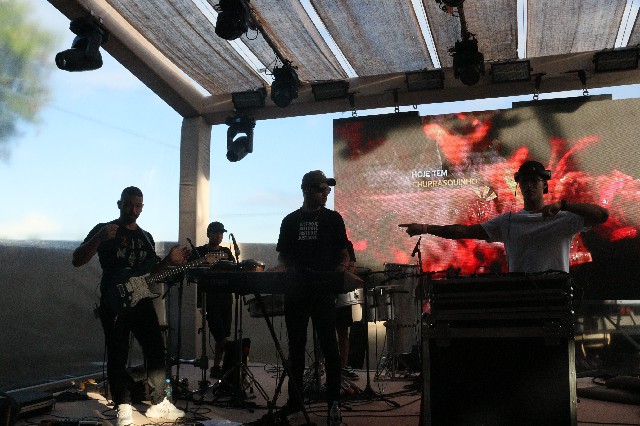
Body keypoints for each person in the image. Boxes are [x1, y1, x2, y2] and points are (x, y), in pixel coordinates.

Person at [72, 186, 187, 426]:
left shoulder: (146, 237)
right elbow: (77, 259)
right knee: (118, 353)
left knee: (156, 349)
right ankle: (123, 406)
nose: (133, 210)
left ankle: (159, 403)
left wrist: (170, 260)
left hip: (142, 300)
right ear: (119, 204)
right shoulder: (104, 229)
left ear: (142, 207)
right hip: (114, 301)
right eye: (128, 204)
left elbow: (152, 273)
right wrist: (99, 238)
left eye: (138, 206)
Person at [399, 160, 609, 273]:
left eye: (534, 181)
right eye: (524, 181)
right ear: (519, 186)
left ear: (544, 185)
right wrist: (425, 228)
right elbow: (463, 231)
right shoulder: (508, 222)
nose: (528, 185)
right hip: (521, 296)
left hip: (554, 296)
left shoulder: (563, 219)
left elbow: (602, 215)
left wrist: (563, 205)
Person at [275, 170, 352, 418]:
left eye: (328, 190)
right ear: (307, 189)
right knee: (296, 348)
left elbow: (344, 253)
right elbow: (284, 256)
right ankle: (295, 402)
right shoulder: (290, 221)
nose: (326, 193)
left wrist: (341, 271)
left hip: (322, 291)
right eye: (322, 189)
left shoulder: (333, 219)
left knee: (330, 347)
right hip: (296, 291)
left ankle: (333, 402)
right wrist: (278, 270)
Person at [188, 221, 235, 379]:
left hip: (226, 297)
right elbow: (190, 270)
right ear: (208, 234)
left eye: (221, 233)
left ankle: (216, 367)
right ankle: (234, 355)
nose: (219, 236)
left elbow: (234, 270)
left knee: (224, 333)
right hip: (209, 297)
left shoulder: (226, 252)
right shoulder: (200, 251)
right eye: (216, 233)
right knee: (219, 334)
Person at [335, 241, 359, 381]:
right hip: (324, 291)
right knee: (323, 331)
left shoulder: (346, 243)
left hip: (342, 292)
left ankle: (343, 367)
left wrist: (344, 275)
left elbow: (353, 266)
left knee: (343, 331)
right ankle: (321, 366)